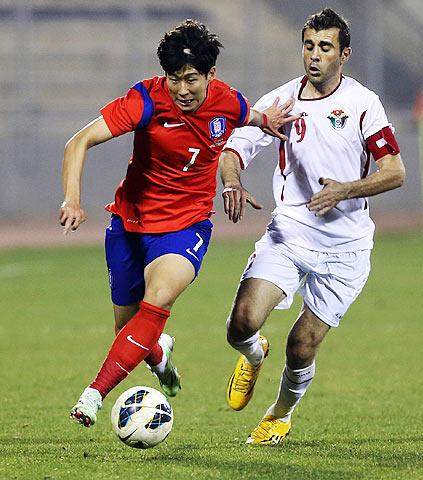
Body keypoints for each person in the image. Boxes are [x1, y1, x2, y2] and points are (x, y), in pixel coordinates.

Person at [60, 19, 299, 427]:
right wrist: (73, 199)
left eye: (191, 79)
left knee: (159, 299)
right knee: (131, 330)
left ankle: (92, 396)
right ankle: (159, 352)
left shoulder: (227, 102)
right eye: (174, 79)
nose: (183, 90)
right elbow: (78, 141)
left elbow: (251, 116)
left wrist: (269, 121)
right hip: (129, 224)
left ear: (210, 75)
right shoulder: (145, 100)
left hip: (186, 226)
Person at [220, 8, 406, 445]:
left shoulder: (364, 104)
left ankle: (278, 415)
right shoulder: (283, 102)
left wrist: (345, 189)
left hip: (347, 248)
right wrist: (231, 181)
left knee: (301, 346)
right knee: (241, 324)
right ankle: (253, 352)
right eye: (308, 45)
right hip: (290, 235)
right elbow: (233, 148)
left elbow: (395, 171)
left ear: (345, 55)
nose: (314, 56)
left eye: (325, 47)